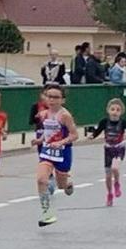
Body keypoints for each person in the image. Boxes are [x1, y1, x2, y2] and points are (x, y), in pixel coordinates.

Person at [33, 85, 79, 226]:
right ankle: (47, 213)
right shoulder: (44, 114)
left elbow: (75, 135)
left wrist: (61, 142)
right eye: (49, 96)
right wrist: (39, 140)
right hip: (47, 151)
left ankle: (68, 184)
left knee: (61, 185)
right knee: (41, 179)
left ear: (62, 100)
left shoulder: (65, 116)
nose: (52, 100)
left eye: (56, 97)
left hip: (62, 153)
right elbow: (48, 134)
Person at [90, 96, 126, 207]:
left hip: (119, 148)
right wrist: (93, 136)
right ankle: (109, 194)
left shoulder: (123, 123)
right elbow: (98, 130)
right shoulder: (104, 122)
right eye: (112, 109)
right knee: (108, 175)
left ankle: (117, 183)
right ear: (108, 110)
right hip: (108, 149)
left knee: (115, 168)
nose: (115, 112)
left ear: (121, 112)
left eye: (118, 110)